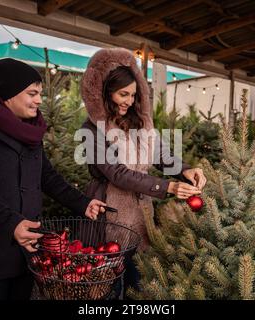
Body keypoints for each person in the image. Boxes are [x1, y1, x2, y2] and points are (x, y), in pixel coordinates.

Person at [0, 58, 106, 300]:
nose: (39, 100)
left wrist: (83, 203)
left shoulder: (30, 132)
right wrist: (10, 223)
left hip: (27, 254)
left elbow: (47, 176)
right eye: (32, 93)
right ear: (9, 94)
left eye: (40, 93)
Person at [80, 48, 206, 297]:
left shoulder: (140, 124)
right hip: (109, 215)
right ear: (106, 92)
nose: (128, 100)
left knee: (139, 283)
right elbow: (117, 173)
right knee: (108, 285)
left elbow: (161, 155)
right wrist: (167, 187)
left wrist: (186, 170)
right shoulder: (92, 130)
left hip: (142, 215)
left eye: (133, 94)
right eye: (122, 94)